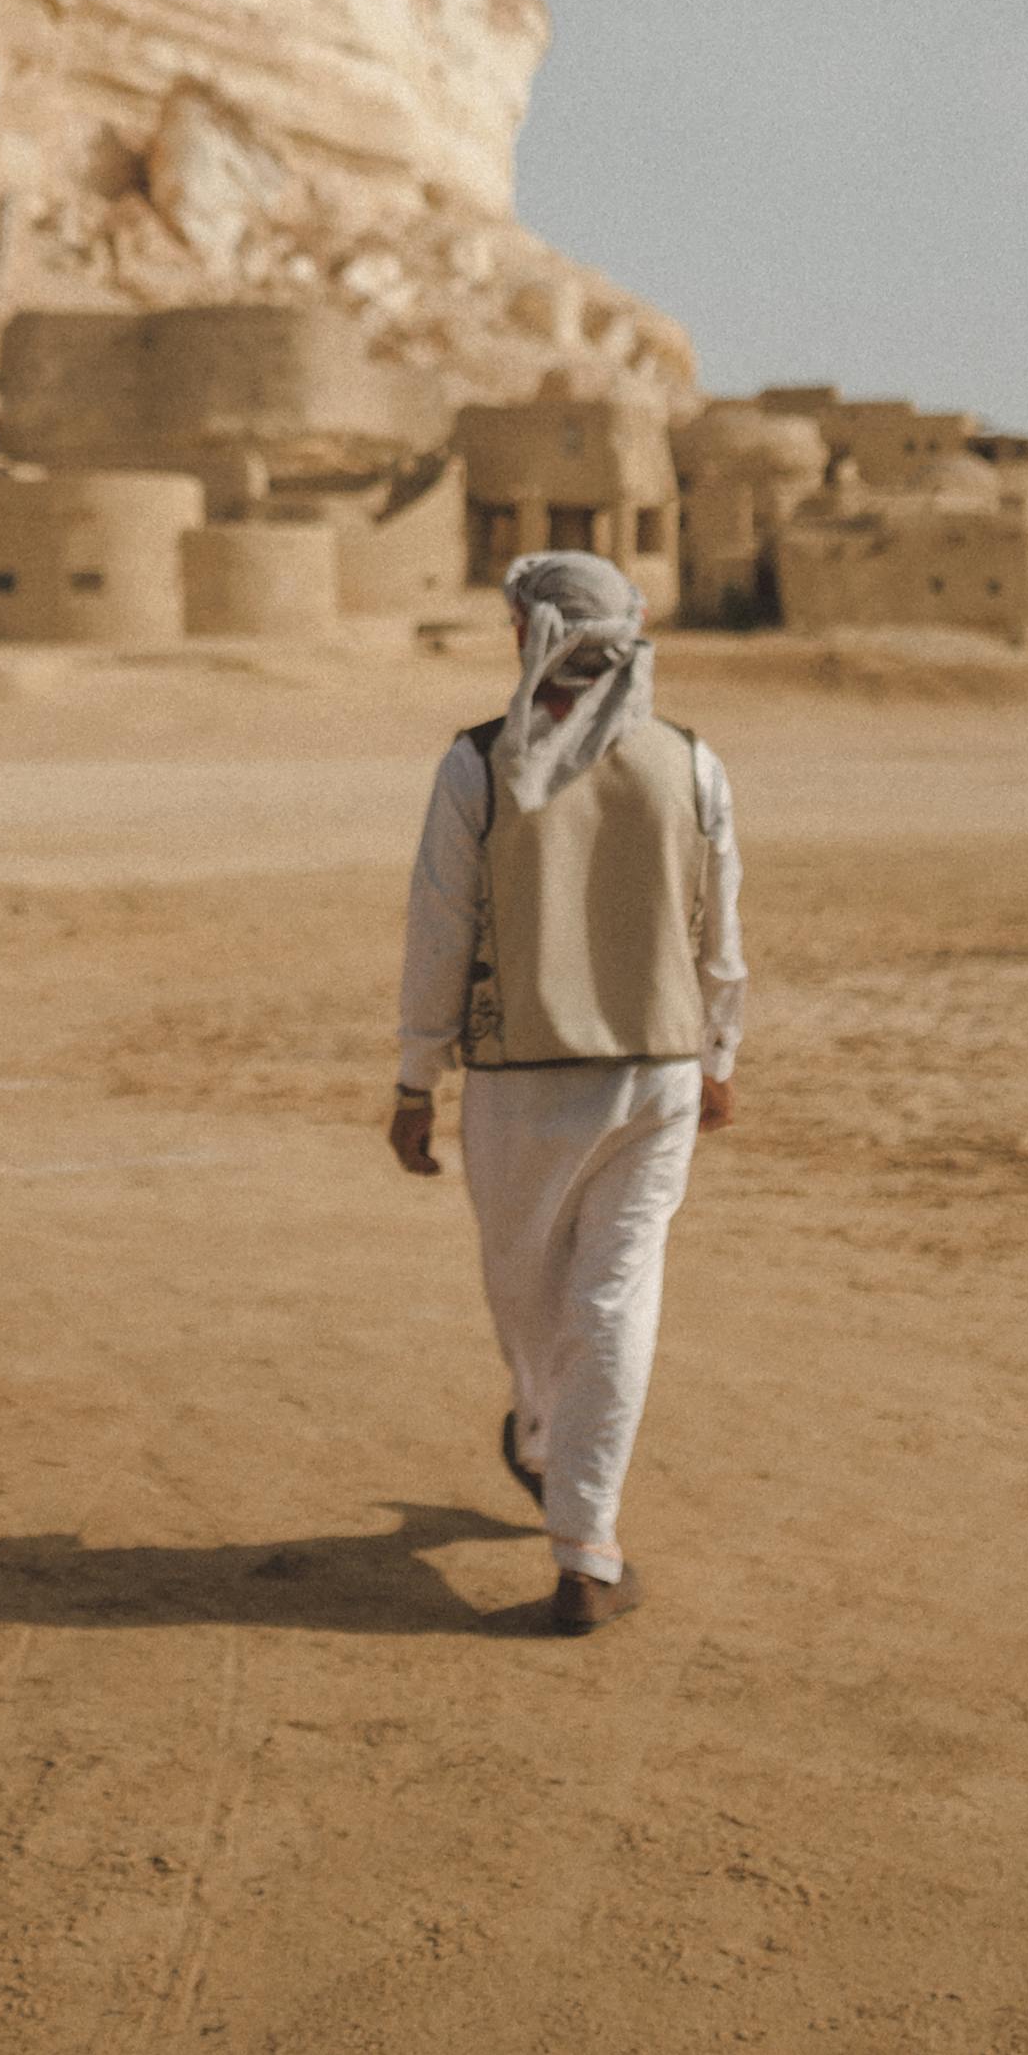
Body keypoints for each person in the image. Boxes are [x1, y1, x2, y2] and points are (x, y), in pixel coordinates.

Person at [389, 549, 745, 1634]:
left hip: (524, 1086)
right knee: (603, 1301)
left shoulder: (477, 766)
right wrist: (720, 1056)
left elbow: (438, 934)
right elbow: (718, 935)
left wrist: (415, 1078)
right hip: (659, 1073)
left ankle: (576, 1523)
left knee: (540, 1294)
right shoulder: (693, 763)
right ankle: (560, 1481)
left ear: (525, 635)